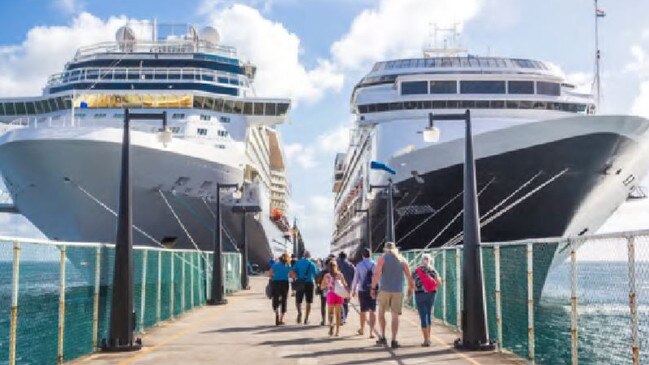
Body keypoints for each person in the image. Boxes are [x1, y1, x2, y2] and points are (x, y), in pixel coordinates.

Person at [370, 241, 415, 349]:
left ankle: (383, 337)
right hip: (397, 291)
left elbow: (376, 274)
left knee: (381, 313)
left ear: (385, 249)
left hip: (384, 290)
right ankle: (394, 340)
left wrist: (372, 288)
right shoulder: (402, 259)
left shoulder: (382, 258)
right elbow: (409, 277)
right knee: (395, 315)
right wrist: (410, 290)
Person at [412, 253, 443, 347]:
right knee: (428, 314)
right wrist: (432, 287)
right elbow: (439, 283)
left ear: (421, 260)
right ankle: (429, 338)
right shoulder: (433, 270)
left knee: (423, 316)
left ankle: (426, 340)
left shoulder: (416, 270)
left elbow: (412, 284)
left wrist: (416, 289)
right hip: (431, 294)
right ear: (430, 261)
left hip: (420, 294)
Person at [350, 248, 377, 338]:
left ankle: (362, 329)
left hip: (362, 290)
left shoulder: (359, 265)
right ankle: (371, 332)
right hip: (373, 290)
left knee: (363, 310)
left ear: (362, 256)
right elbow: (377, 278)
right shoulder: (374, 264)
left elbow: (355, 279)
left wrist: (353, 290)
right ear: (370, 254)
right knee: (372, 311)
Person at [319, 260, 349, 336]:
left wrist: (327, 285)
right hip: (338, 295)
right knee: (338, 314)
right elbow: (345, 284)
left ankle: (331, 325)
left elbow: (322, 286)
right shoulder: (340, 275)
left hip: (330, 295)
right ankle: (337, 332)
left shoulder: (326, 275)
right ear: (336, 266)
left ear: (328, 267)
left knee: (330, 313)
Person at [291, 251, 318, 324]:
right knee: (308, 302)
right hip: (309, 283)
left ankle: (299, 313)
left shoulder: (298, 262)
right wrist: (317, 285)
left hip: (300, 282)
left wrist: (295, 278)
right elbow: (316, 275)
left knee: (298, 301)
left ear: (303, 255)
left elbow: (292, 272)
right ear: (309, 256)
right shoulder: (312, 264)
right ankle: (306, 319)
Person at [267, 253, 291, 325]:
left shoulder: (276, 265)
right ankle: (281, 319)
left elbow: (270, 273)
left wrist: (273, 277)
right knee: (284, 299)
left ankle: (276, 309)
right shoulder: (288, 266)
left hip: (276, 283)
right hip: (284, 283)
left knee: (276, 297)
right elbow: (291, 274)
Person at [337, 252, 356, 324]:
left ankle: (340, 317)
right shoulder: (351, 265)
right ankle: (344, 318)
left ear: (339, 256)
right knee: (345, 303)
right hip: (348, 287)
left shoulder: (336, 264)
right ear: (346, 256)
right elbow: (355, 276)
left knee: (339, 303)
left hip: (338, 286)